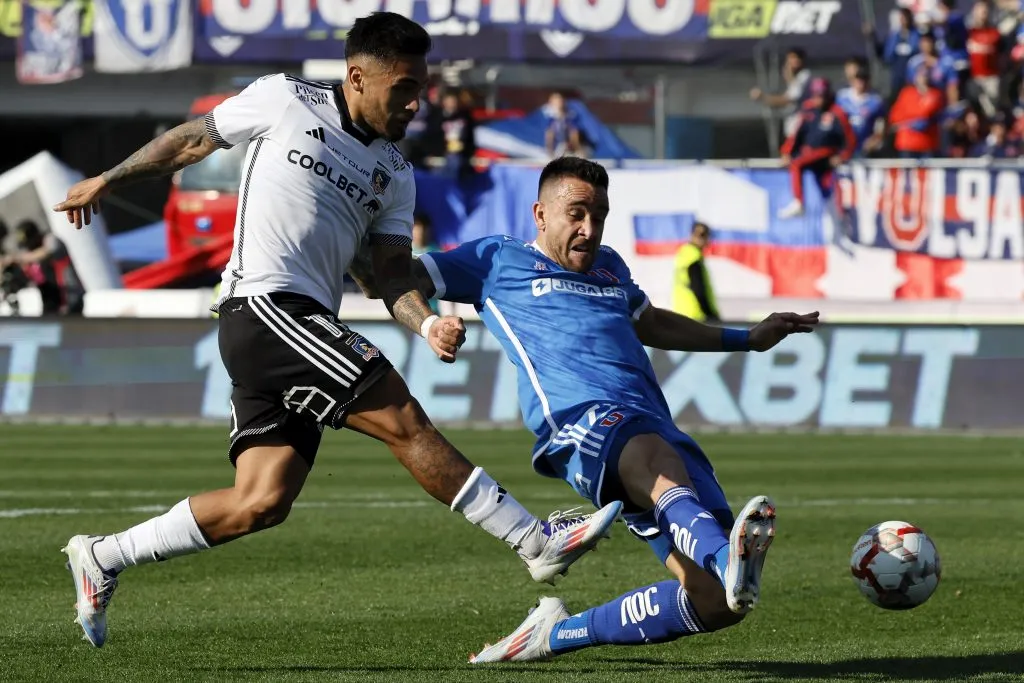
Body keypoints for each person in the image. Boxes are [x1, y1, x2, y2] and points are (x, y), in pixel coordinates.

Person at [51, 12, 620, 649]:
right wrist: (108, 178)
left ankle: (102, 556)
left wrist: (426, 320)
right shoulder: (284, 97)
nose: (415, 102)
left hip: (300, 325)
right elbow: (190, 142)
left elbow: (389, 276)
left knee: (261, 500)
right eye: (403, 87)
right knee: (404, 419)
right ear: (356, 77)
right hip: (265, 308)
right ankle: (533, 542)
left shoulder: (396, 176)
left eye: (420, 87)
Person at [351, 157, 819, 663]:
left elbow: (653, 324)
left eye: (599, 215)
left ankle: (555, 633)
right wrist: (428, 324)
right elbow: (392, 280)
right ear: (541, 214)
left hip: (652, 425)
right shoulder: (495, 260)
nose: (589, 229)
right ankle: (728, 556)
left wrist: (748, 338)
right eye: (576, 213)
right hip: (580, 424)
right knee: (658, 466)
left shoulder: (610, 266)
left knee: (718, 603)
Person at [777, 77, 857, 220]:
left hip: (827, 155)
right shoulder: (808, 109)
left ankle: (800, 203)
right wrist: (786, 152)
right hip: (810, 155)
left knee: (799, 165)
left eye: (821, 96)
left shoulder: (837, 112)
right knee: (823, 189)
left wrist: (843, 156)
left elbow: (849, 139)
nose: (818, 99)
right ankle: (804, 204)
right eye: (815, 95)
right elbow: (797, 134)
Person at [671, 222, 720, 323]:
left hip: (682, 314)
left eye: (703, 235)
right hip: (697, 316)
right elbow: (698, 289)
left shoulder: (684, 254)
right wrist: (711, 315)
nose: (701, 238)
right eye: (699, 235)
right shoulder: (693, 257)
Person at [836, 67, 887, 157]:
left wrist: (877, 137)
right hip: (844, 144)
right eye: (858, 80)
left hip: (864, 145)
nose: (861, 83)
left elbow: (881, 121)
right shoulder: (842, 97)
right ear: (852, 80)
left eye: (864, 80)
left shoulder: (875, 100)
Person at [543, 92, 583, 158]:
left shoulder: (569, 115)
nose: (558, 103)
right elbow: (549, 134)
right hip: (556, 146)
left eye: (560, 101)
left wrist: (577, 148)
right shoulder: (549, 115)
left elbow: (574, 133)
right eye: (555, 101)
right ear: (551, 102)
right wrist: (549, 149)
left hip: (567, 145)